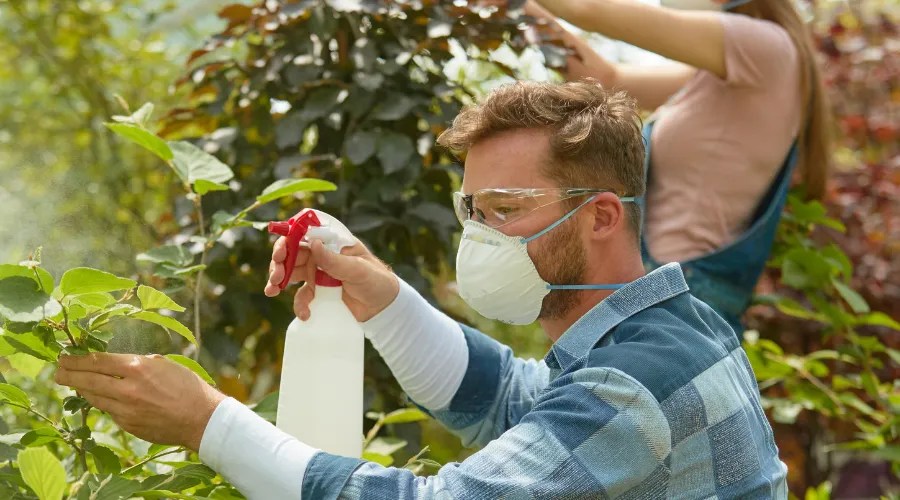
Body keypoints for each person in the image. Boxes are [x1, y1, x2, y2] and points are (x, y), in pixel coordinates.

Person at [55, 81, 788, 498]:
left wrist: (206, 421)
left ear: (600, 216)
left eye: (505, 209)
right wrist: (380, 294)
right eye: (473, 211)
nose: (481, 237)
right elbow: (514, 400)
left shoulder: (636, 386)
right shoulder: (674, 326)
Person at [515, 0, 831, 334]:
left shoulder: (763, 47)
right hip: (663, 295)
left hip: (678, 302)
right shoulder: (727, 71)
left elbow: (587, 9)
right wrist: (521, 10)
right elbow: (607, 79)